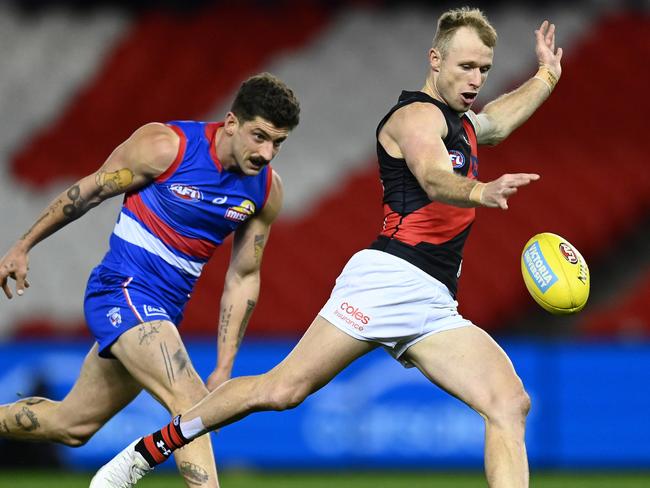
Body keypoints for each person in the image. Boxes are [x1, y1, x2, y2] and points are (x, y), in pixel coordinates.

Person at [91, 7, 562, 488]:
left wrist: (546, 75)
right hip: (388, 280)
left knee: (508, 403)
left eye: (484, 68)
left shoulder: (460, 124)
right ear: (435, 59)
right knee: (281, 390)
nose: (476, 78)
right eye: (466, 66)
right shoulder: (416, 116)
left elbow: (496, 124)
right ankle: (149, 450)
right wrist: (480, 191)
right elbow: (433, 175)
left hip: (434, 300)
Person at [0, 73, 300, 488]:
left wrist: (225, 363)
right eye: (260, 136)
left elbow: (244, 275)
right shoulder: (166, 147)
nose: (267, 153)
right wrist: (23, 245)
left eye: (278, 143)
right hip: (120, 290)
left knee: (72, 425)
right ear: (232, 122)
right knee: (192, 402)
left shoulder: (266, 191)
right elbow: (87, 192)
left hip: (161, 314)